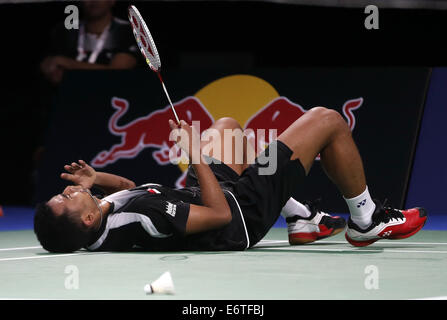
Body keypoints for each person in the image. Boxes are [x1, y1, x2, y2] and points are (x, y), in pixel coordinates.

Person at [34, 108, 427, 253]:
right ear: (85, 220)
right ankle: (366, 221)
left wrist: (96, 178)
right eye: (66, 199)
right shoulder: (145, 217)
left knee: (226, 126)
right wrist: (196, 156)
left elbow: (132, 190)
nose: (67, 190)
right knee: (327, 121)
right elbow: (220, 215)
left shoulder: (106, 221)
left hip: (214, 191)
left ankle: (301, 218)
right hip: (244, 212)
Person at [40, 0, 139, 85]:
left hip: (112, 99)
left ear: (112, 1)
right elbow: (51, 67)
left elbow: (118, 74)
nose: (94, 1)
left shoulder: (127, 31)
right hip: (71, 98)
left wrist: (68, 64)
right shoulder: (64, 31)